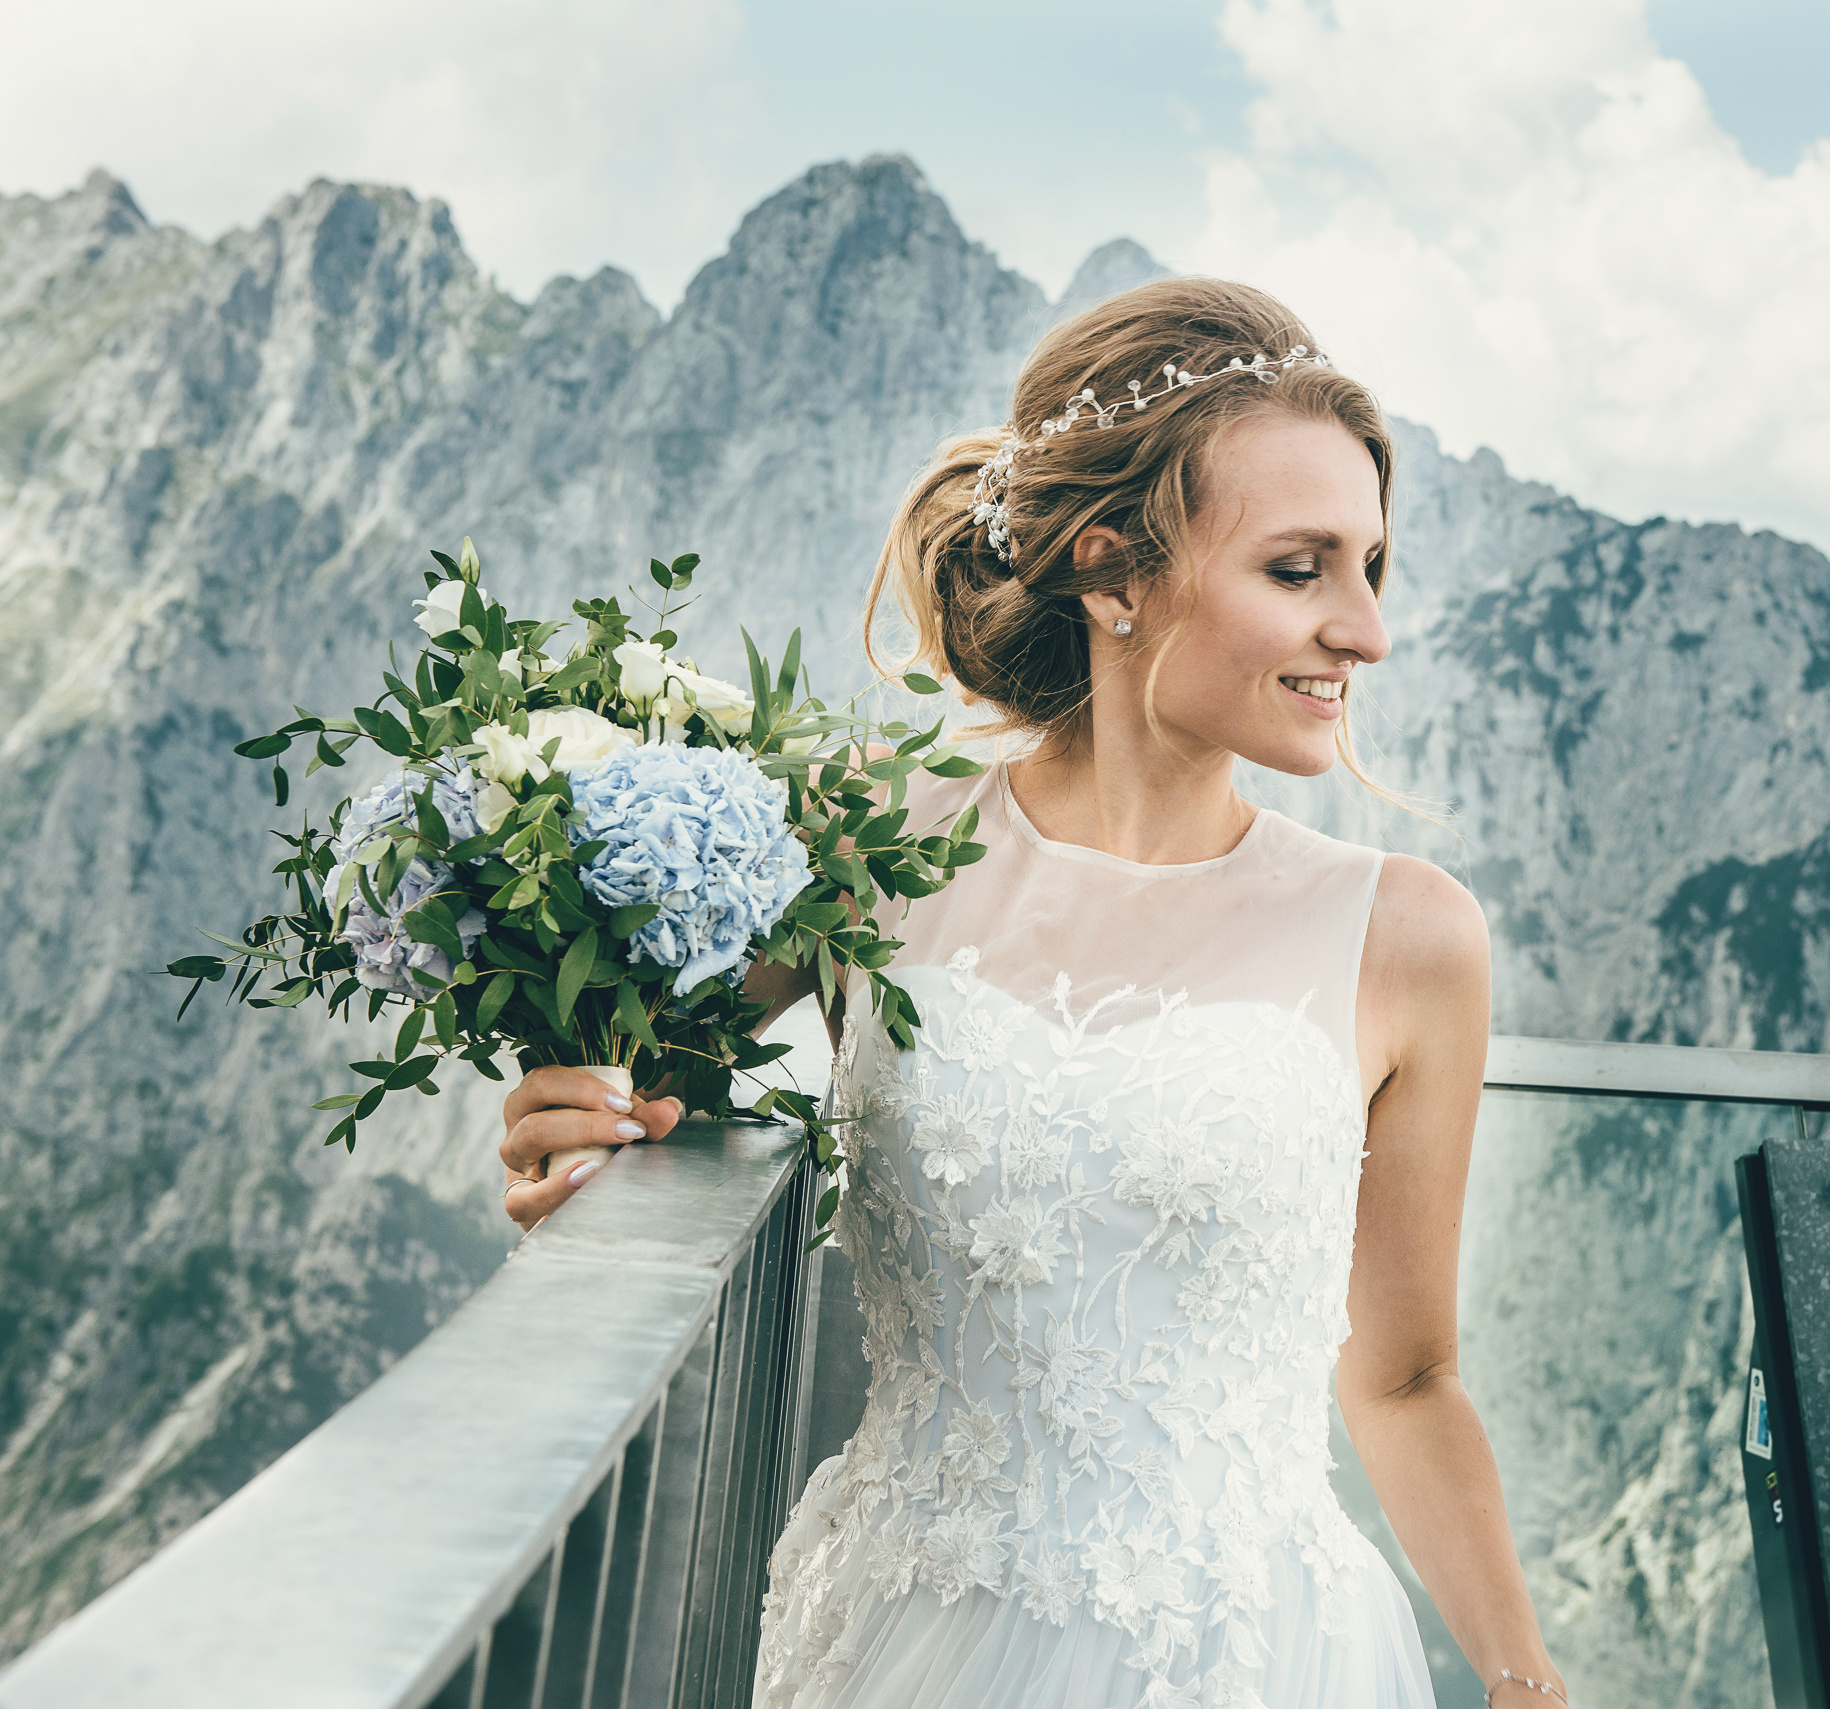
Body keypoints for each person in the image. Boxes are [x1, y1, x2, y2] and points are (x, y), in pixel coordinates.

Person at [496, 278, 1567, 1709]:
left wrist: (1525, 1679)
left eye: (1375, 568)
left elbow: (1405, 1380)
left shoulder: (1412, 938)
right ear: (1115, 570)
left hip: (1251, 1662)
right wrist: (569, 1120)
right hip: (905, 1634)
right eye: (1303, 570)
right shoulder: (869, 847)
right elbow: (636, 1094)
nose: (1366, 632)